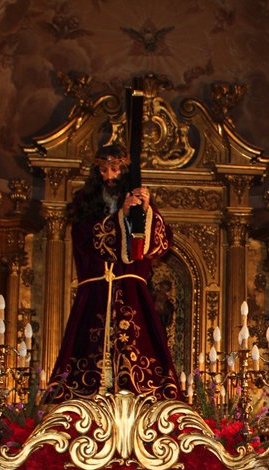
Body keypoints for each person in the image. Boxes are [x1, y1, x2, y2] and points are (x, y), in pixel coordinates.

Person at [48, 144, 181, 401]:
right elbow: (89, 242)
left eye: (116, 169)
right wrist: (121, 216)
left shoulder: (138, 206)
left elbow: (157, 245)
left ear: (125, 172)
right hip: (95, 294)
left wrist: (144, 211)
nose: (110, 176)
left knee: (139, 356)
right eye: (105, 170)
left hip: (131, 295)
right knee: (84, 358)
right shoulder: (84, 206)